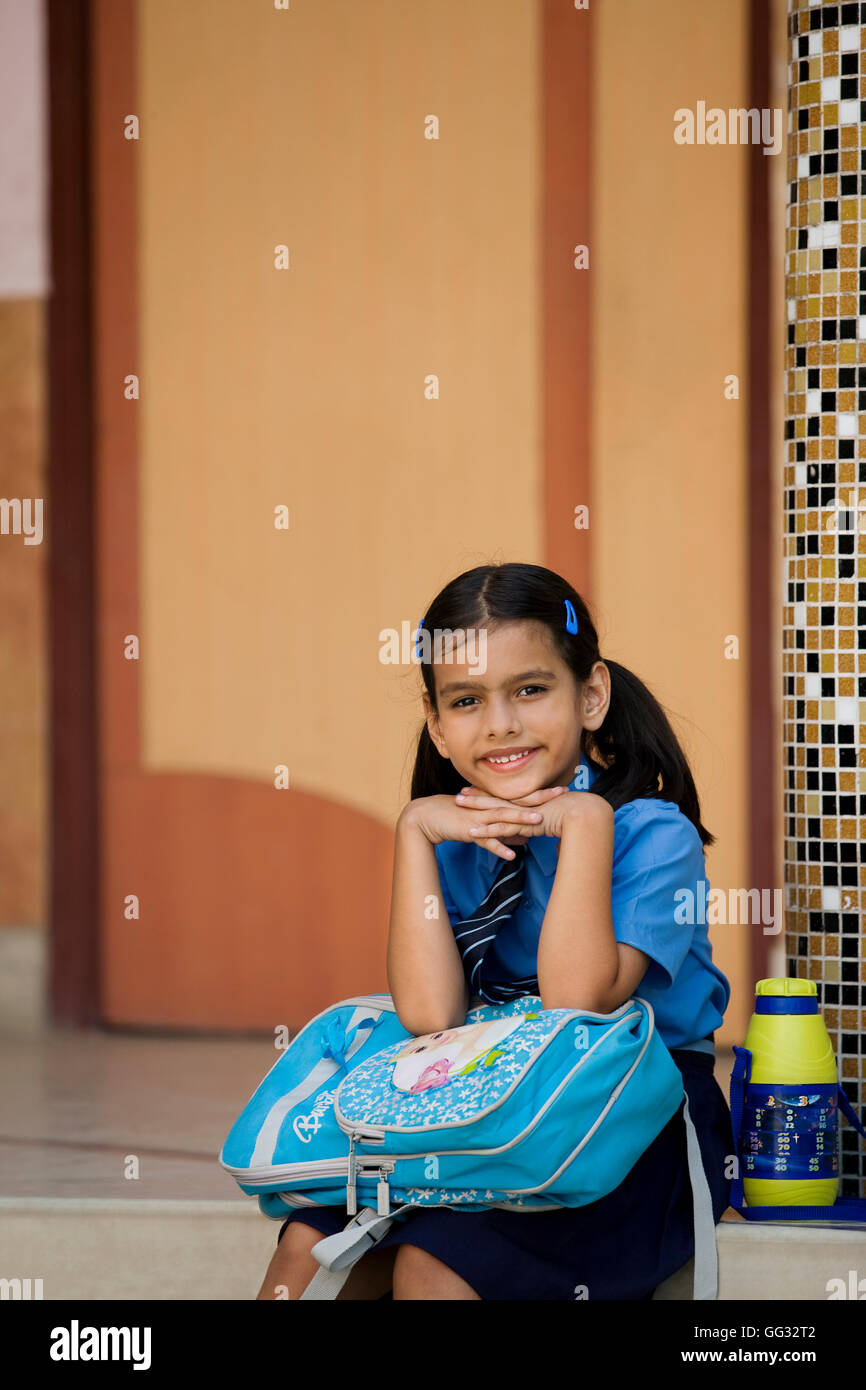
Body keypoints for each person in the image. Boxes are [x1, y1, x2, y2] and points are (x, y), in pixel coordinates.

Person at [256, 561, 733, 1300]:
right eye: (467, 701)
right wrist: (414, 833)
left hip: (626, 1112)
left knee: (433, 1265)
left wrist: (583, 822)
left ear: (593, 694)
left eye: (531, 690)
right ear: (437, 726)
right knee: (307, 1244)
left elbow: (579, 1000)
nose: (501, 723)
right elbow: (431, 1016)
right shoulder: (457, 836)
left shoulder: (652, 836)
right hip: (490, 1098)